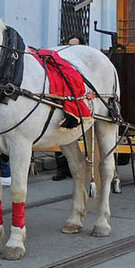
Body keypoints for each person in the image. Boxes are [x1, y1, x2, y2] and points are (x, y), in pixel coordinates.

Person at [52, 36, 83, 180]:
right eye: (69, 45)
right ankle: (61, 169)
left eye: (75, 46)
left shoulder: (82, 65)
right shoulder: (60, 63)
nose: (71, 49)